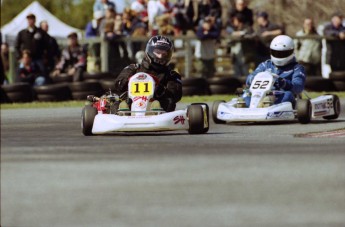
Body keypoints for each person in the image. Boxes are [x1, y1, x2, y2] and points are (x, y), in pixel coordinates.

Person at [114, 35, 182, 112]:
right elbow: (118, 85)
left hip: (158, 107)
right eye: (158, 52)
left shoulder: (171, 75)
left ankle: (155, 110)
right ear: (149, 51)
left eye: (164, 54)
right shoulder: (134, 68)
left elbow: (175, 95)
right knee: (119, 101)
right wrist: (128, 82)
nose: (160, 56)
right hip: (131, 104)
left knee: (169, 102)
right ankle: (123, 111)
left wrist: (159, 89)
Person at [244, 35, 306, 107]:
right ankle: (248, 107)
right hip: (260, 94)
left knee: (288, 95)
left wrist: (284, 83)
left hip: (281, 96)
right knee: (246, 93)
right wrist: (253, 79)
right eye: (276, 53)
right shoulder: (265, 65)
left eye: (283, 54)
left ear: (291, 52)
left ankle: (268, 105)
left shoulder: (297, 68)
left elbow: (298, 87)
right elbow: (249, 78)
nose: (279, 56)